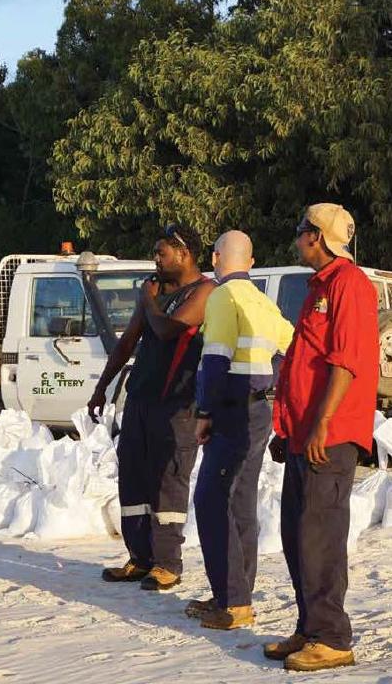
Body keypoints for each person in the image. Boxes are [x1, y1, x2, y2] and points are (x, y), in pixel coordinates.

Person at [264, 204, 379, 672]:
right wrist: (290, 428)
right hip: (306, 432)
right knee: (296, 532)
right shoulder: (320, 286)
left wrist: (322, 424)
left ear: (317, 236)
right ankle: (310, 627)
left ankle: (332, 637)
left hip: (329, 435)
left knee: (320, 535)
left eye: (300, 231)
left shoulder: (349, 284)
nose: (296, 239)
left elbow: (346, 361)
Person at [88, 224, 216, 590]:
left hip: (177, 403)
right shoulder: (155, 291)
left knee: (167, 481)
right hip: (141, 399)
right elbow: (129, 340)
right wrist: (102, 387)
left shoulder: (205, 291)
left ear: (185, 254)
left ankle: (167, 564)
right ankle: (139, 557)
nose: (156, 260)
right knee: (134, 478)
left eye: (162, 253)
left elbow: (167, 330)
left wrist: (147, 301)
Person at [187, 230, 294, 629]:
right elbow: (291, 345)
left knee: (212, 499)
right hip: (259, 410)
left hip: (231, 411)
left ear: (216, 259)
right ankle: (236, 595)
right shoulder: (263, 301)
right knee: (241, 500)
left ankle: (232, 602)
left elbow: (215, 359)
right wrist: (270, 378)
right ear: (250, 263)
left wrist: (204, 411)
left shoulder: (221, 298)